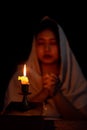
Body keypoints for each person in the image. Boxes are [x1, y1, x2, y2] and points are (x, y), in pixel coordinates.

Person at [3, 16, 87, 119]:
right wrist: (45, 92)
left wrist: (56, 93)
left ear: (62, 47)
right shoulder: (21, 78)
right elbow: (11, 118)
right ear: (35, 46)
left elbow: (82, 121)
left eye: (53, 43)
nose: (47, 49)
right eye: (41, 43)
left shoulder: (74, 80)